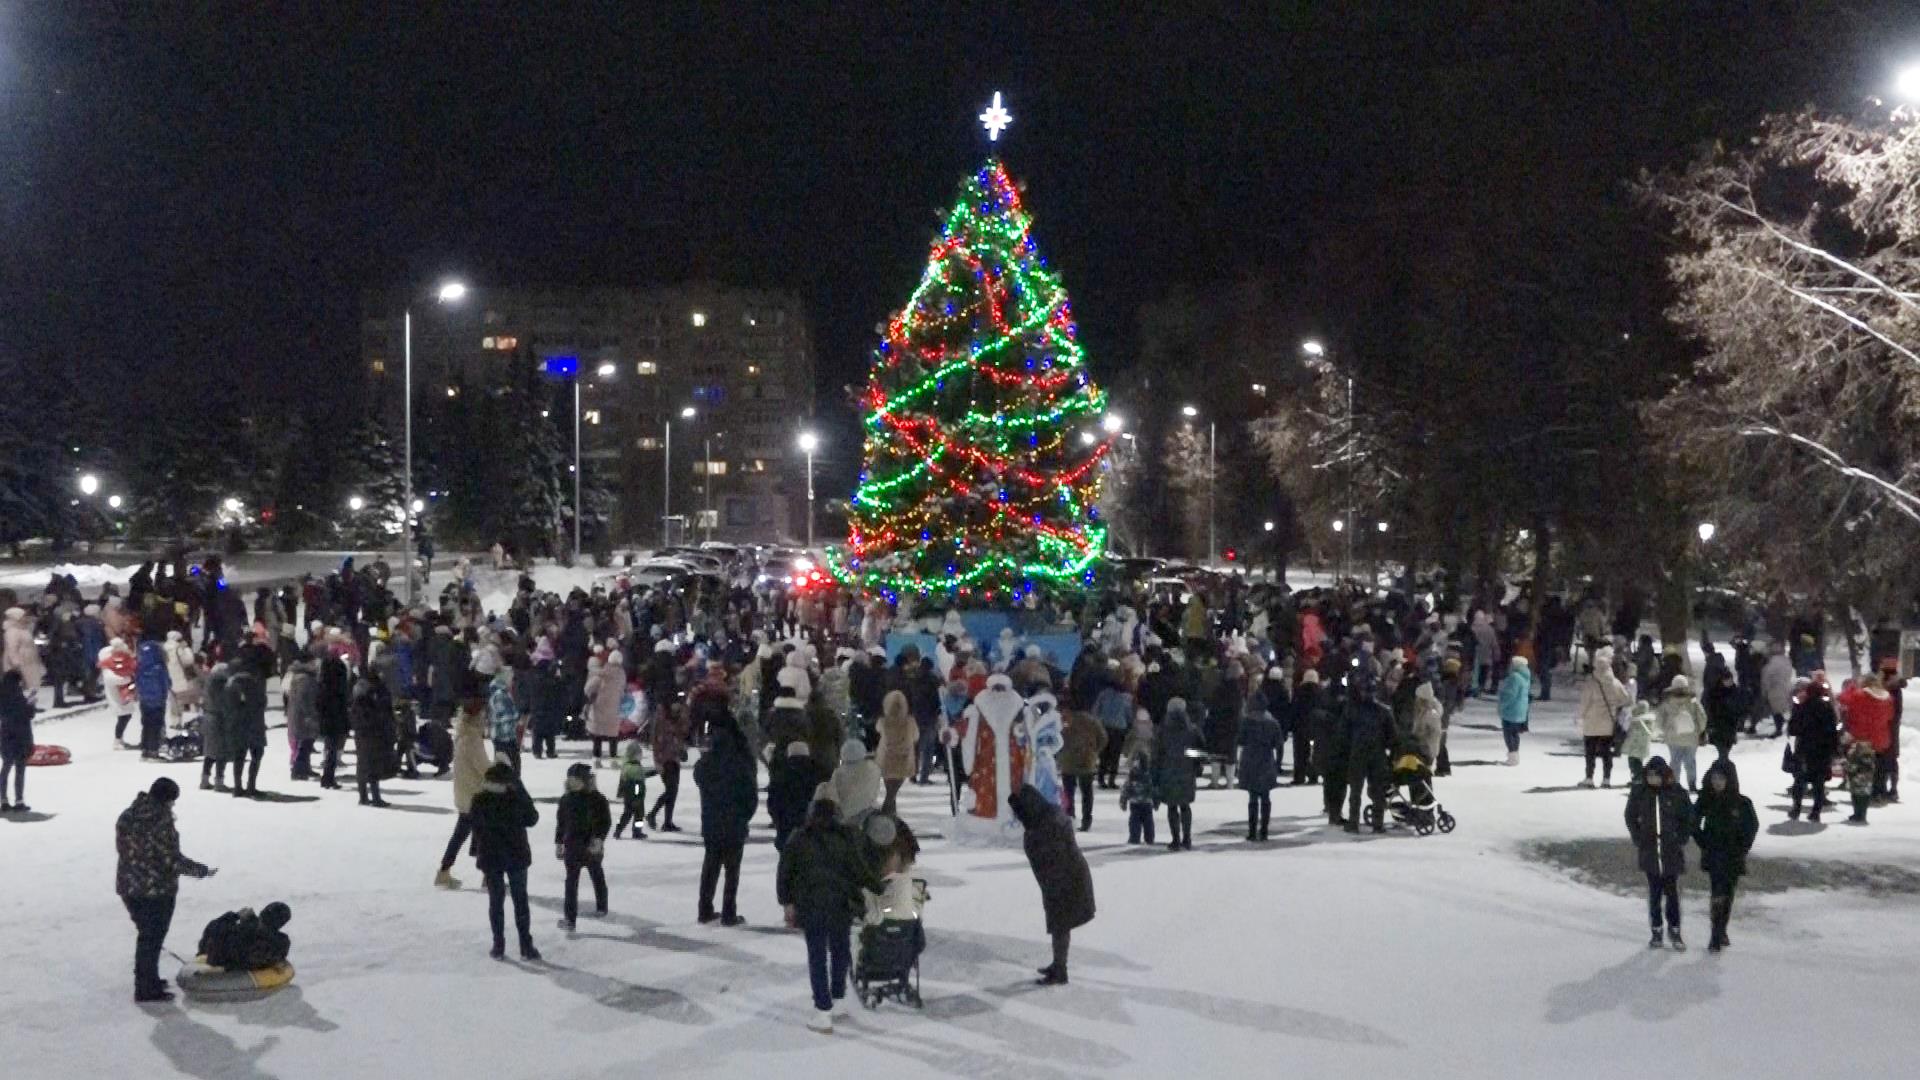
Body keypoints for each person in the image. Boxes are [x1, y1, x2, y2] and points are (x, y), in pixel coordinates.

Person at [778, 788, 881, 1033]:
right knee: (840, 951)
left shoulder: (799, 838)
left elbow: (784, 873)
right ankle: (838, 998)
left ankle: (822, 1010)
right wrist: (879, 887)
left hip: (811, 905)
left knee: (817, 956)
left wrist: (787, 902)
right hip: (841, 904)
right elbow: (860, 870)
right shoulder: (847, 837)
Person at [116, 777, 217, 1002]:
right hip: (156, 890)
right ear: (166, 799)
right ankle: (146, 988)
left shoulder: (127, 815)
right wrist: (200, 870)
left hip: (128, 887)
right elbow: (170, 859)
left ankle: (148, 978)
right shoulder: (160, 821)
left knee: (147, 936)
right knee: (151, 939)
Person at [1009, 784, 1095, 987]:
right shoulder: (1045, 817)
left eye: (1019, 812)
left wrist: (1051, 888)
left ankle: (1060, 970)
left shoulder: (1045, 827)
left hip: (1065, 880)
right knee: (1059, 925)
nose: (1019, 818)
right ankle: (1058, 964)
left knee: (1060, 924)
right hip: (1063, 878)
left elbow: (1051, 862)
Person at [470, 761, 540, 960]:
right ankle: (526, 945)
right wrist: (521, 790)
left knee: (496, 902)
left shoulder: (479, 800)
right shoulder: (515, 798)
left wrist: (477, 851)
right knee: (520, 901)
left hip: (491, 857)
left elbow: (475, 828)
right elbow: (532, 818)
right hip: (516, 855)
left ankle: (498, 945)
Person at [694, 721, 758, 925]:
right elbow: (751, 797)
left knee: (710, 868)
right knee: (732, 872)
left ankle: (704, 909)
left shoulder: (705, 765)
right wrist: (744, 817)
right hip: (734, 825)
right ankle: (729, 912)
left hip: (711, 824)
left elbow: (698, 775)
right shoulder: (740, 765)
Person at [1624, 756, 1692, 950]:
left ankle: (1675, 929)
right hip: (1650, 852)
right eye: (1650, 775)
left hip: (1671, 851)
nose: (1652, 779)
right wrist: (1639, 837)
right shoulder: (1641, 793)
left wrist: (1681, 837)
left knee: (1672, 893)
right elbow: (1630, 816)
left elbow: (1689, 817)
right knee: (1654, 893)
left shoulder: (1676, 793)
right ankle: (1656, 929)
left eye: (1656, 775)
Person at [1691, 759, 1758, 953]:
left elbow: (1751, 826)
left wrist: (1743, 847)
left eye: (1721, 779)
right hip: (1714, 854)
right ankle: (1715, 934)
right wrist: (1703, 840)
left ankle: (1722, 929)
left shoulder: (1742, 803)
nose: (1717, 782)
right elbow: (1692, 821)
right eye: (1714, 778)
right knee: (1717, 893)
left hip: (1733, 856)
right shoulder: (1706, 799)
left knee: (1728, 893)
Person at [435, 697, 493, 888]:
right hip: (476, 795)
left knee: (462, 835)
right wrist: (500, 771)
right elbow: (484, 768)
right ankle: (488, 877)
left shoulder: (462, 734)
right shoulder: (472, 739)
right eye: (483, 715)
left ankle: (444, 872)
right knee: (486, 836)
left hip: (464, 792)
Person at [554, 762, 611, 932]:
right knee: (571, 882)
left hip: (591, 846)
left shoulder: (598, 799)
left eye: (576, 779)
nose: (572, 782)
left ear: (585, 780)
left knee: (597, 875)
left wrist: (599, 839)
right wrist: (559, 842)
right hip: (572, 846)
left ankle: (602, 906)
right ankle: (570, 919)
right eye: (570, 779)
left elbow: (605, 822)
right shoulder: (566, 799)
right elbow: (561, 823)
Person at [1788, 675, 1839, 821]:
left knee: (1800, 780)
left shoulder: (1801, 706)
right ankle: (1816, 811)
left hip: (1804, 749)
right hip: (1822, 750)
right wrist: (1834, 749)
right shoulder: (1827, 707)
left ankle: (1796, 808)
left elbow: (1793, 729)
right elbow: (1833, 730)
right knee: (1818, 782)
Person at [1577, 648, 1626, 787]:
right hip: (1608, 723)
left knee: (1590, 752)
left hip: (1591, 723)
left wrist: (1580, 717)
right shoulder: (1615, 682)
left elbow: (1585, 702)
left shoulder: (1591, 683)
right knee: (1606, 753)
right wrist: (1614, 706)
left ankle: (1589, 778)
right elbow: (1625, 698)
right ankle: (1606, 779)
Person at [1153, 697, 1198, 850]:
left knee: (1172, 807)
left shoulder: (1163, 730)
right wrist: (1192, 763)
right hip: (1187, 771)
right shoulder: (1192, 729)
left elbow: (1157, 753)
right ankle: (1187, 838)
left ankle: (1175, 840)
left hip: (1168, 771)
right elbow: (1199, 749)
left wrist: (1156, 772)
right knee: (1185, 806)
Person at [768, 741, 831, 850]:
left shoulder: (781, 773)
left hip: (787, 827)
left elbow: (773, 803)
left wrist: (777, 820)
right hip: (814, 828)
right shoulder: (821, 772)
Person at [1237, 689, 1282, 841]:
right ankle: (1264, 830)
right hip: (1266, 761)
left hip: (1250, 760)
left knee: (1252, 798)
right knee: (1265, 797)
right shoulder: (1272, 722)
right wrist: (1277, 763)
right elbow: (1278, 743)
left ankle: (1252, 831)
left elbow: (1240, 740)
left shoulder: (1246, 721)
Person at [1057, 702, 1107, 832]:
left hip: (1068, 760)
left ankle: (1069, 817)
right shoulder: (1092, 721)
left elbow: (1057, 737)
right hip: (1087, 759)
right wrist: (1095, 751)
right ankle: (1086, 820)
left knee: (1068, 792)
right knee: (1087, 792)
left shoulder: (1064, 719)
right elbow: (1103, 738)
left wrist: (1059, 754)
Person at [351, 665, 395, 807]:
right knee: (373, 765)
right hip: (373, 732)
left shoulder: (359, 691)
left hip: (362, 733)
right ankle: (375, 797)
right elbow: (381, 712)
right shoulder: (374, 691)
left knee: (363, 763)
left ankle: (363, 796)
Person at [645, 691, 688, 832]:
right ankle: (653, 814)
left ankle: (667, 821)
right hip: (664, 759)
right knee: (671, 789)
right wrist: (657, 761)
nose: (678, 706)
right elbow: (655, 741)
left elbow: (681, 735)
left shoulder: (678, 717)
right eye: (676, 703)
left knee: (673, 791)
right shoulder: (661, 718)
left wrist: (682, 749)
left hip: (674, 757)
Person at [1655, 676, 1705, 792]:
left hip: (1673, 737)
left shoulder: (1667, 702)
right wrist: (1699, 730)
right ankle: (1692, 784)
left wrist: (1666, 730)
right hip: (1691, 737)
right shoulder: (1693, 701)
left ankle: (1674, 784)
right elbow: (1702, 717)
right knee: (1690, 761)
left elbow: (1659, 720)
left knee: (1675, 762)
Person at [227, 663, 268, 798]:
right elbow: (262, 703)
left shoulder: (230, 686)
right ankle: (251, 786)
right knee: (256, 756)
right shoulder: (255, 685)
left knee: (239, 757)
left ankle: (237, 787)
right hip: (255, 725)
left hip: (237, 726)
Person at [874, 689, 916, 815]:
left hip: (886, 758)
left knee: (890, 790)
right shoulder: (910, 721)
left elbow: (877, 730)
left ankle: (888, 814)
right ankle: (889, 813)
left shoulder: (883, 721)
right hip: (904, 759)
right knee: (893, 791)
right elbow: (916, 736)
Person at [0, 671, 35, 812]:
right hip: (21, 735)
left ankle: (3, 800)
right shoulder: (19, 697)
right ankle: (19, 800)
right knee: (20, 768)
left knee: (6, 766)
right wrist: (31, 703)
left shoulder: (2, 696)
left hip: (6, 735)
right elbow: (28, 714)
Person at [829, 736, 882, 825]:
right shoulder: (873, 768)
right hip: (868, 812)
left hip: (845, 816)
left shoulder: (838, 773)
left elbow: (833, 795)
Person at [134, 638, 171, 760]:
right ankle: (154, 751)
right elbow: (165, 683)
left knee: (146, 724)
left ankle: (145, 750)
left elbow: (137, 682)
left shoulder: (140, 667)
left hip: (144, 699)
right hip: (158, 700)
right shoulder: (159, 667)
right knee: (156, 725)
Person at [1702, 665, 1743, 763]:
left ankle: (1722, 767)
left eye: (1730, 680)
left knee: (1725, 752)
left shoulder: (1735, 691)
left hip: (1730, 726)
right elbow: (1709, 709)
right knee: (1723, 753)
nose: (1729, 682)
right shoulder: (1714, 693)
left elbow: (1740, 708)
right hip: (1718, 727)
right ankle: (1723, 767)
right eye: (1727, 680)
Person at [613, 740, 652, 839]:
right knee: (639, 815)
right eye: (639, 754)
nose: (641, 756)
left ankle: (618, 830)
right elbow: (638, 783)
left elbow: (622, 781)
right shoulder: (635, 767)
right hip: (636, 795)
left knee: (627, 813)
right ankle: (637, 832)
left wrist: (620, 792)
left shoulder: (626, 766)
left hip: (628, 795)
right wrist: (638, 796)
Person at [1497, 656, 1531, 766]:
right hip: (1520, 710)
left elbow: (1510, 695)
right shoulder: (1525, 677)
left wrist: (1502, 706)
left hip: (1511, 710)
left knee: (1508, 734)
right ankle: (1515, 754)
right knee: (1515, 734)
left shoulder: (1515, 677)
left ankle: (1512, 756)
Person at [1120, 753, 1158, 844]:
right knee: (1148, 821)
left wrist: (1123, 800)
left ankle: (1134, 838)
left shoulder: (1132, 772)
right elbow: (1154, 789)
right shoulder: (1150, 773)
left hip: (1135, 802)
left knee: (1134, 821)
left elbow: (1126, 787)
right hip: (1147, 802)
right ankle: (1149, 838)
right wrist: (1156, 801)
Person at [1760, 643, 1795, 738]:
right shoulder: (1787, 661)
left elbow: (1766, 677)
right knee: (1782, 709)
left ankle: (1778, 729)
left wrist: (1765, 690)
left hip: (1775, 689)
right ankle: (1784, 726)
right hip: (1786, 687)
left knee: (1776, 710)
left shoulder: (1771, 663)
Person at [1622, 700, 1657, 784]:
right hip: (1642, 746)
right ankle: (1637, 778)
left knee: (1634, 763)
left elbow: (1631, 732)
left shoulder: (1637, 720)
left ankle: (1638, 779)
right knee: (1638, 763)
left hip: (1634, 746)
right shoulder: (1649, 719)